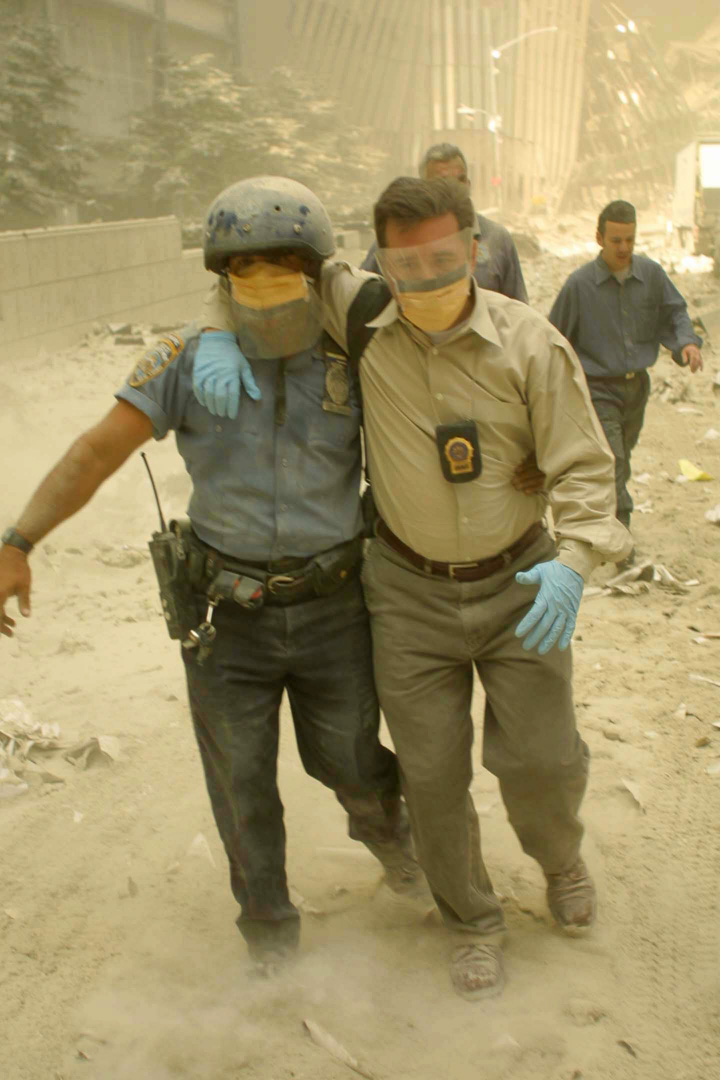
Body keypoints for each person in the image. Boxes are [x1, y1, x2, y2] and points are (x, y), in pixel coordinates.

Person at [195, 176, 632, 1001]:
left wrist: (574, 562)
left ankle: (559, 857)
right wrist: (216, 333)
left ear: (474, 245)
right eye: (405, 264)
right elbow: (256, 279)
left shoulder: (532, 345)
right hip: (406, 593)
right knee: (431, 773)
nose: (425, 279)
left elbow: (583, 469)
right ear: (378, 263)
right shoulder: (362, 320)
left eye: (442, 257)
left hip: (519, 582)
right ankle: (470, 920)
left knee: (539, 759)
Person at [0, 177, 424, 973]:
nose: (264, 285)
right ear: (220, 275)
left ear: (314, 269)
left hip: (336, 605)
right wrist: (19, 538)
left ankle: (397, 846)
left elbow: (439, 389)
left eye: (283, 266)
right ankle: (269, 937)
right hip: (226, 619)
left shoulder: (357, 347)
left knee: (353, 761)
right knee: (241, 786)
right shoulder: (188, 359)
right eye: (245, 268)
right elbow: (97, 450)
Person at [549, 199, 703, 558]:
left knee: (622, 458)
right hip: (598, 388)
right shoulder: (579, 285)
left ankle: (606, 518)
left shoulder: (650, 275)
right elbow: (553, 337)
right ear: (599, 238)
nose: (623, 248)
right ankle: (622, 537)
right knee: (613, 459)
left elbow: (674, 312)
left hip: (638, 388)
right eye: (616, 240)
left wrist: (686, 344)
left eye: (630, 240)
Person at [360, 142, 528, 303]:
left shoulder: (497, 238)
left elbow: (517, 309)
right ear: (423, 187)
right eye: (442, 183)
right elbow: (367, 298)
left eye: (460, 180)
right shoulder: (397, 242)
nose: (454, 188)